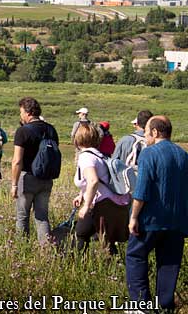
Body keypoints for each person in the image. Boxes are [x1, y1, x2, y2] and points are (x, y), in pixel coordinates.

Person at [126, 116, 188, 312]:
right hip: (177, 220)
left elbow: (142, 190)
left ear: (155, 132)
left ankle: (141, 305)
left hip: (151, 219)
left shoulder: (149, 154)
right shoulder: (183, 155)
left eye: (146, 133)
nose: (145, 137)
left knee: (135, 256)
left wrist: (134, 217)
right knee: (169, 263)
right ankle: (165, 305)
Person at [73, 123, 130, 255]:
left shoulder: (86, 157)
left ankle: (82, 265)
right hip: (113, 203)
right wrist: (81, 195)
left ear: (78, 139)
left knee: (82, 234)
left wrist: (86, 206)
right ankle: (113, 267)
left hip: (100, 204)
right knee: (103, 239)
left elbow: (93, 180)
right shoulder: (100, 155)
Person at [11, 97, 59, 244]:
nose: (21, 116)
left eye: (21, 112)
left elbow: (17, 160)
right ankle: (45, 250)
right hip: (46, 178)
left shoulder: (23, 131)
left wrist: (14, 184)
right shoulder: (51, 129)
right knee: (42, 216)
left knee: (22, 216)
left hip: (27, 177)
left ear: (28, 113)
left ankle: (21, 249)